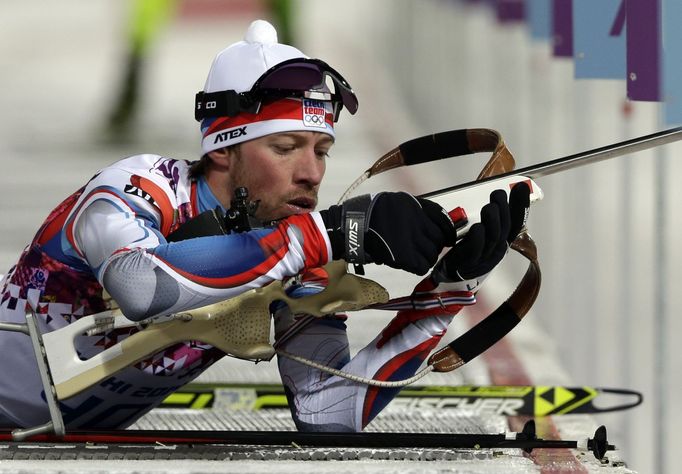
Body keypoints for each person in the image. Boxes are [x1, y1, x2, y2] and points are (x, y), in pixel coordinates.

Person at [0, 20, 529, 431]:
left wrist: (449, 289)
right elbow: (141, 287)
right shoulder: (137, 189)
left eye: (322, 150)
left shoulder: (297, 247)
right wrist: (329, 234)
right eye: (285, 148)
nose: (312, 172)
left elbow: (331, 412)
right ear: (224, 151)